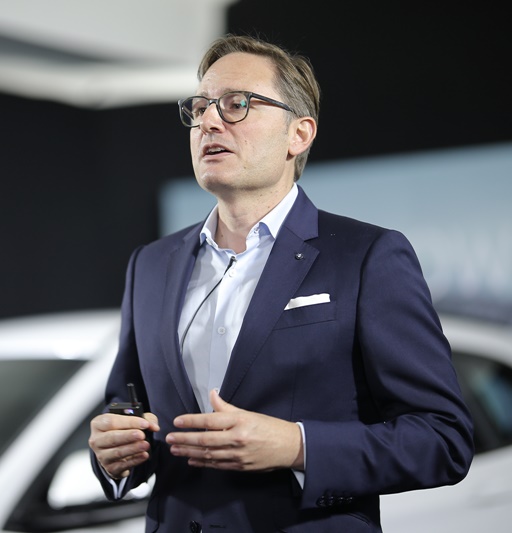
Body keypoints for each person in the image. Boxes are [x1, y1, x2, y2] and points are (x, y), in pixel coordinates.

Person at [88, 33, 473, 532]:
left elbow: (442, 438)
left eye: (236, 104)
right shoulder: (151, 264)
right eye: (200, 107)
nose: (208, 122)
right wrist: (113, 454)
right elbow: (127, 405)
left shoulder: (366, 256)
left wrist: (297, 446)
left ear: (299, 134)